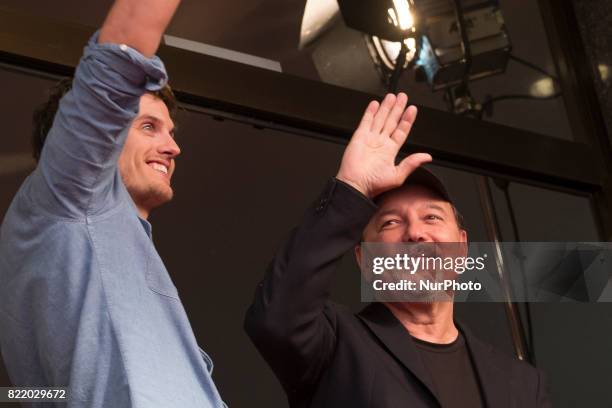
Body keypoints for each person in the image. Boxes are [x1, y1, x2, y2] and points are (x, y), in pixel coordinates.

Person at [244, 93, 551, 407]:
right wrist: (351, 186)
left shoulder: (523, 383)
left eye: (431, 217)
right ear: (364, 260)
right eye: (390, 223)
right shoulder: (335, 345)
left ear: (462, 248)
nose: (415, 233)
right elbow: (276, 316)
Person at [0, 1, 225, 406]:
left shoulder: (119, 252)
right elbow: (120, 53)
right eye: (148, 127)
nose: (173, 147)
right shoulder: (68, 193)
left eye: (170, 132)